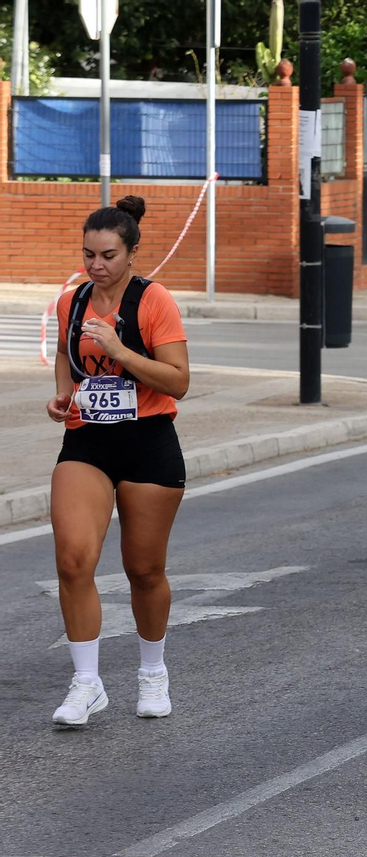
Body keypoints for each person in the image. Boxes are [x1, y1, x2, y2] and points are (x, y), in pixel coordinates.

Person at [46, 196, 190, 726]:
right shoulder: (73, 301)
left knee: (144, 570)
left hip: (148, 440)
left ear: (131, 253)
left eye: (107, 255)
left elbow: (178, 380)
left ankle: (152, 672)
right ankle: (86, 684)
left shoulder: (154, 302)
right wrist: (64, 395)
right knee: (72, 560)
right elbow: (66, 352)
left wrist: (120, 348)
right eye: (88, 255)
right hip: (88, 440)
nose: (95, 265)